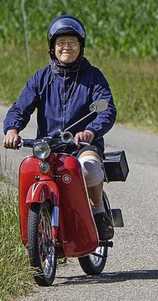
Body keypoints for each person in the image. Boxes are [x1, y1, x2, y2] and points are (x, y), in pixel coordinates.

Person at [3, 15, 117, 241]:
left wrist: (91, 131)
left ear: (80, 46)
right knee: (31, 174)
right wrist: (12, 130)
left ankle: (98, 210)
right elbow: (20, 108)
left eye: (72, 43)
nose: (67, 47)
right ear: (52, 47)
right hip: (47, 146)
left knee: (90, 168)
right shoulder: (40, 79)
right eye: (61, 43)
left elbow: (107, 110)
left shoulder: (93, 77)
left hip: (82, 145)